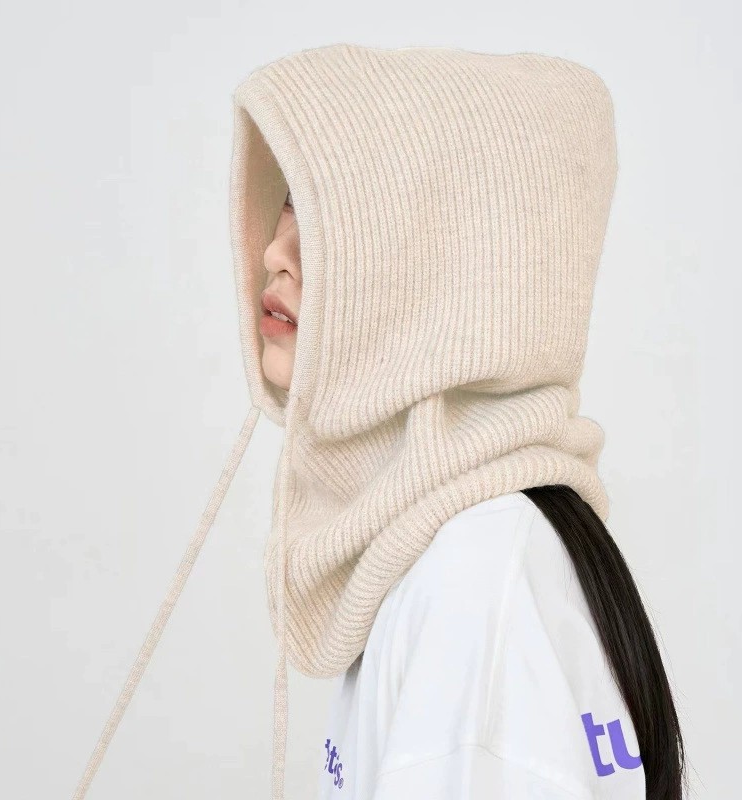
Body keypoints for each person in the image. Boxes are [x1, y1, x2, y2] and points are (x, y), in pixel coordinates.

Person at [69, 44, 687, 800]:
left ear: (441, 272)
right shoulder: (442, 546)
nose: (275, 252)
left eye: (333, 218)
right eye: (289, 201)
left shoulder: (474, 578)